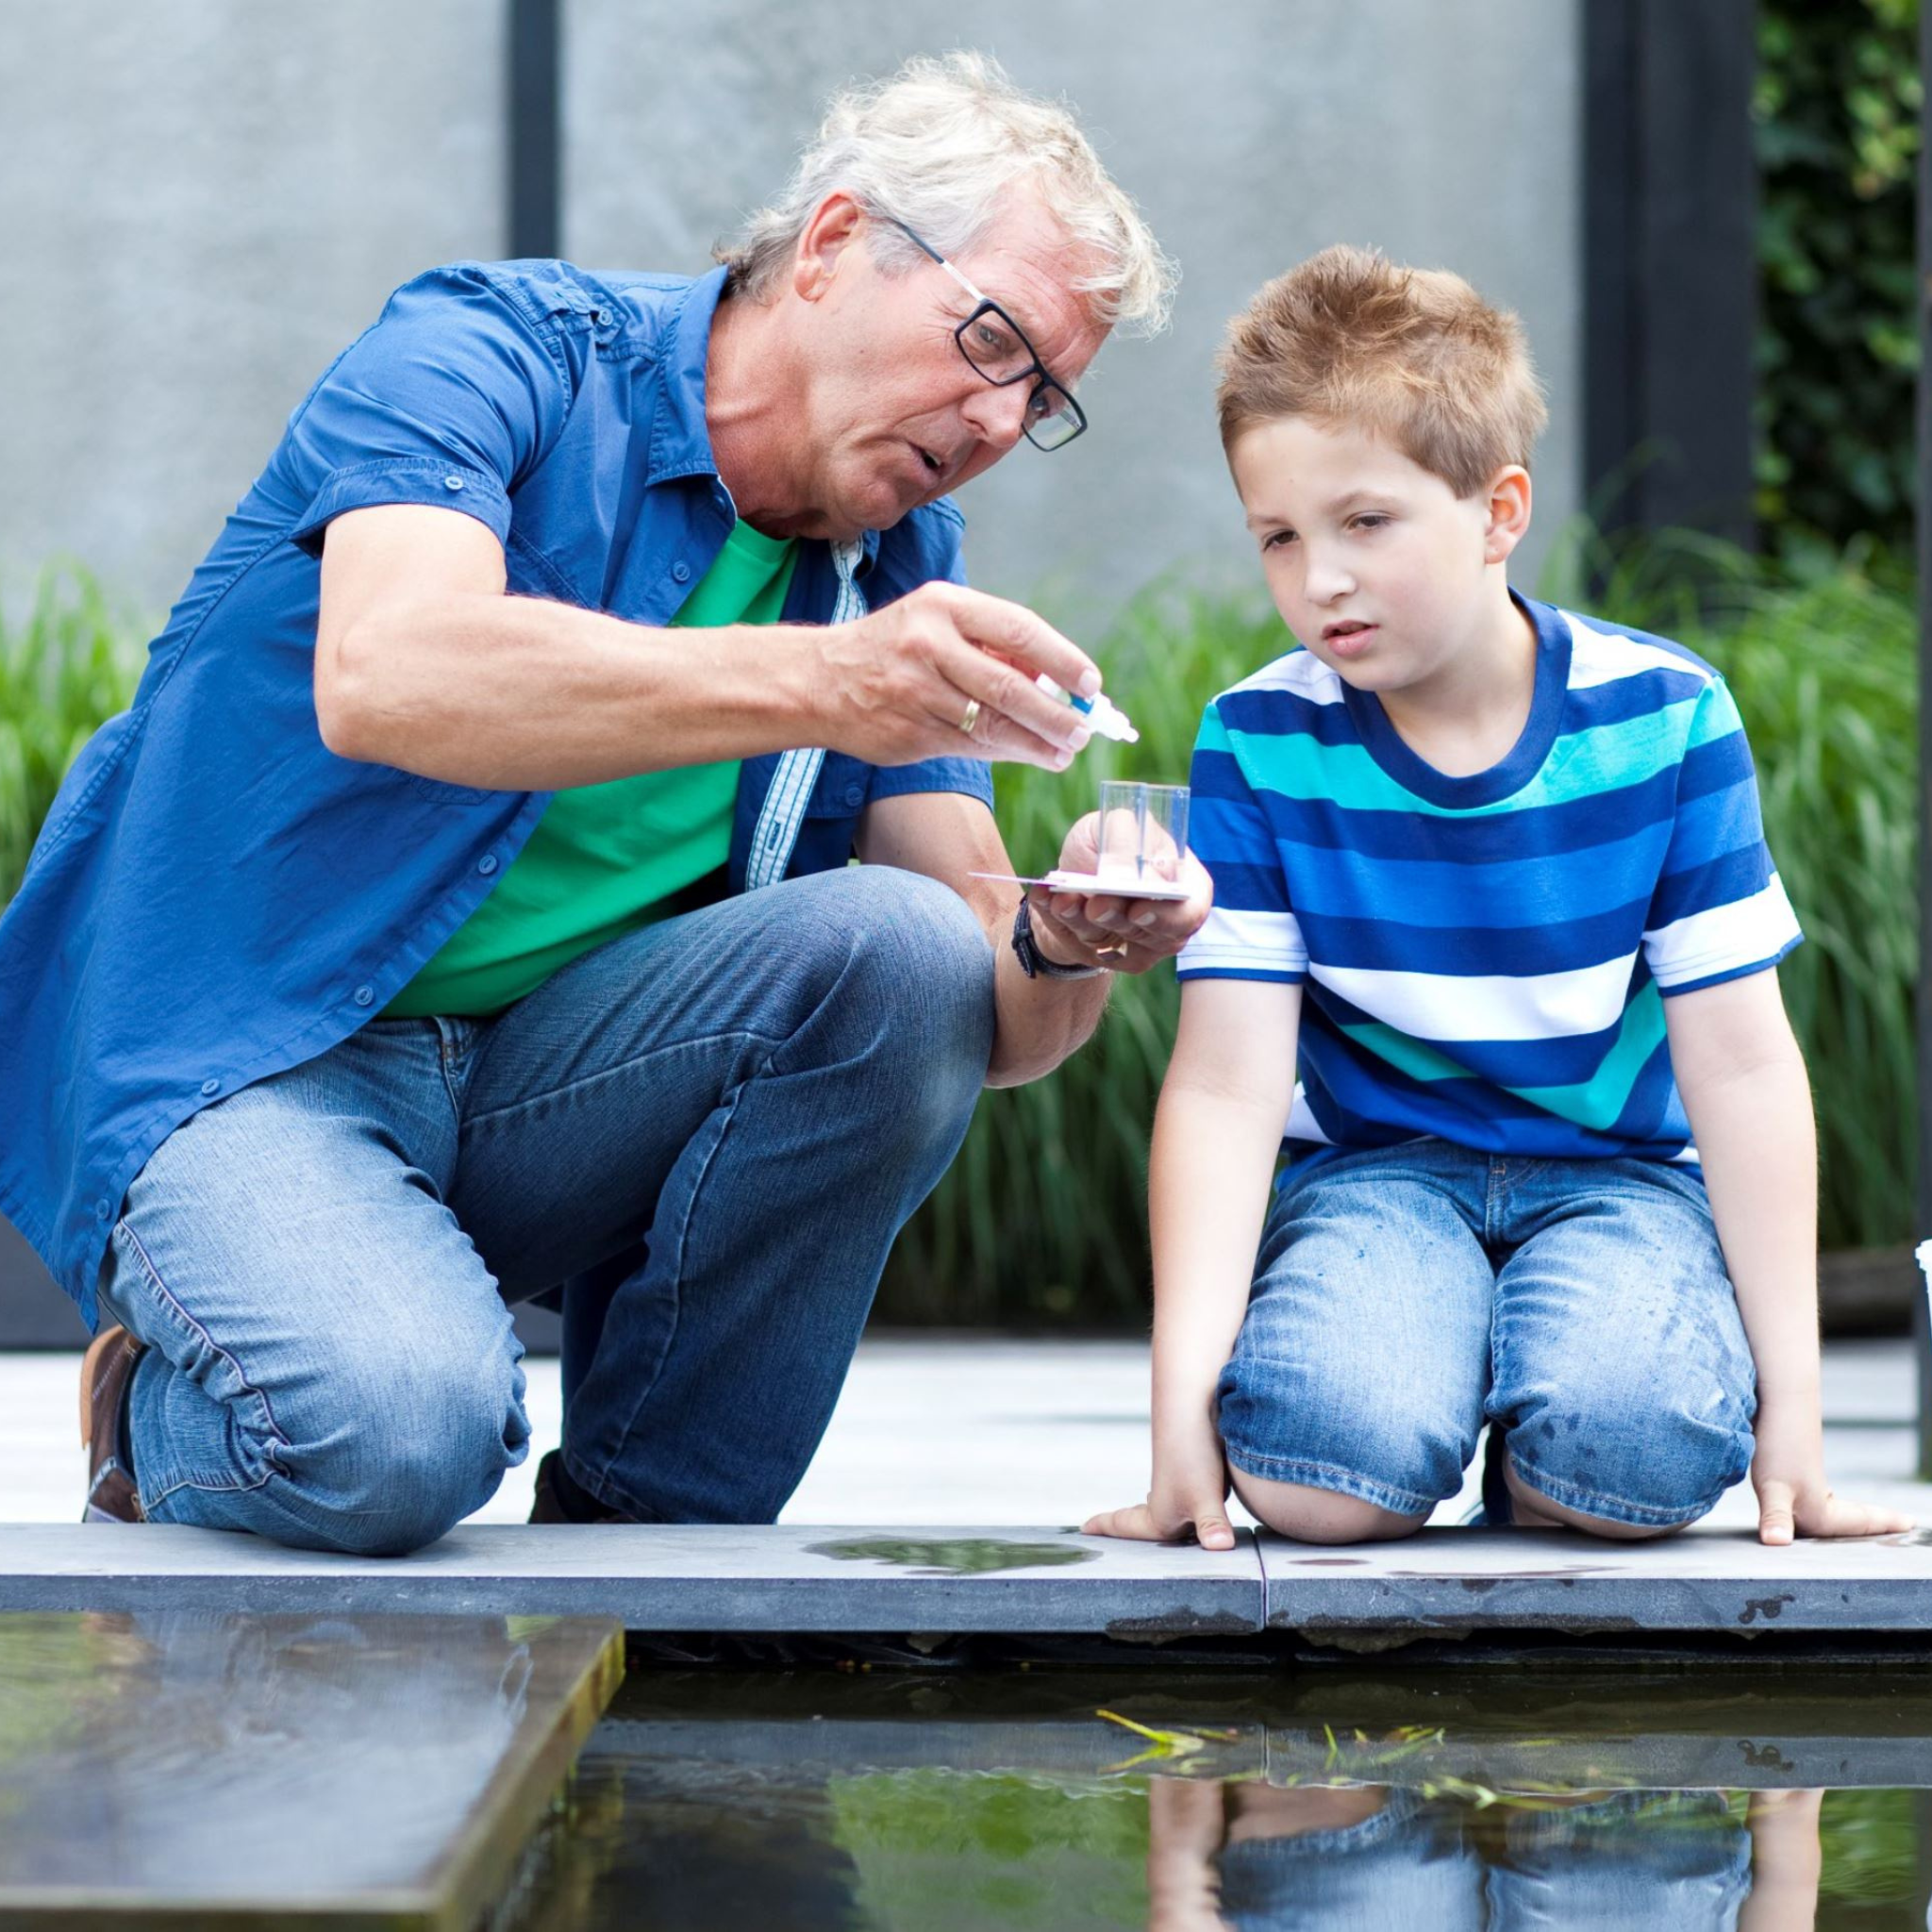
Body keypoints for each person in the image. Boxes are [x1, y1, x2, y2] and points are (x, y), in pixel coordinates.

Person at [0, 52, 1208, 1554]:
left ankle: (646, 1536)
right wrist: (832, 682)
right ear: (833, 245)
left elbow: (969, 985)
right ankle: (154, 1407)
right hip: (257, 1054)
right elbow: (392, 673)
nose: (1000, 417)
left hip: (543, 1091)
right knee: (395, 1440)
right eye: (991, 341)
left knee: (906, 949)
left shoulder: (894, 554)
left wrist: (1068, 938)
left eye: (1046, 395)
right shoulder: (494, 352)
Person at [1086, 245, 1907, 1552]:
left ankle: (1543, 1420)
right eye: (1279, 540)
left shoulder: (1665, 718)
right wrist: (1177, 1421)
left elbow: (1743, 1071)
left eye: (1366, 523)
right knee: (1313, 1482)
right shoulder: (1259, 740)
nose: (1321, 582)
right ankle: (1429, 1373)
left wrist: (1796, 1422)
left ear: (1498, 509)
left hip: (1622, 1181)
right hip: (1376, 1176)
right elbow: (1228, 1084)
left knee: (1626, 1472)